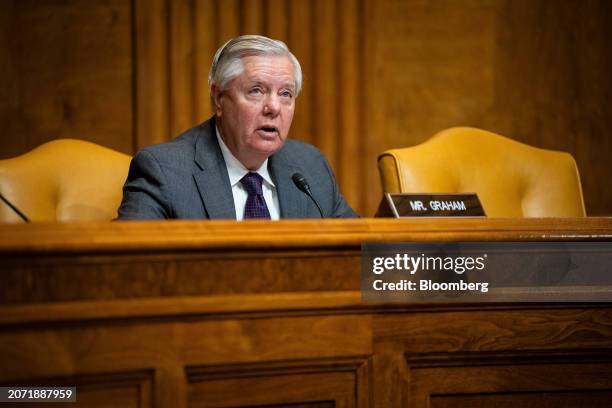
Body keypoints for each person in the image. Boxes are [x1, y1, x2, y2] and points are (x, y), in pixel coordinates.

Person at [118, 35, 357, 220]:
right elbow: (127, 267)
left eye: (286, 94)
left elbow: (362, 255)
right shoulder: (165, 172)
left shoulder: (310, 168)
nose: (274, 107)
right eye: (256, 90)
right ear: (219, 98)